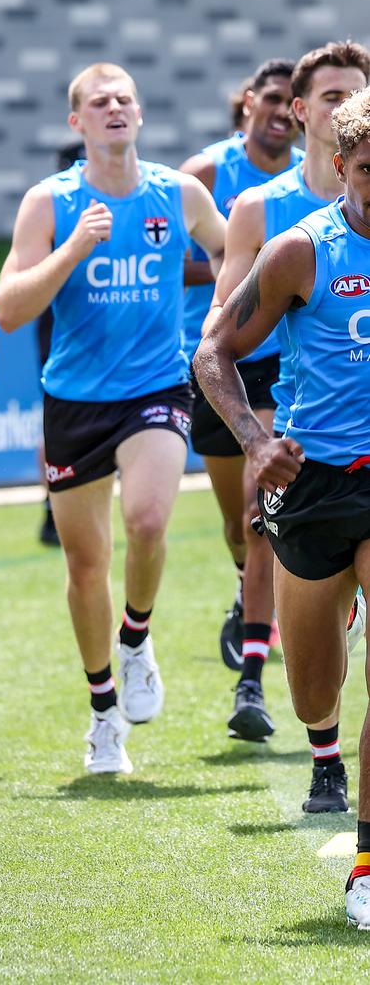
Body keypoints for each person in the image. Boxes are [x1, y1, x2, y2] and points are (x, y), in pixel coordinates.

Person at [0, 63, 225, 774]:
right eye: (100, 102)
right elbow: (8, 309)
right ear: (78, 124)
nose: (115, 108)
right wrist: (73, 248)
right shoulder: (50, 202)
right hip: (74, 398)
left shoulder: (177, 192)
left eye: (125, 98)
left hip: (156, 386)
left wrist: (220, 318)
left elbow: (228, 253)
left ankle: (137, 637)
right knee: (85, 563)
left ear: (141, 114)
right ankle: (102, 716)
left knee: (149, 520)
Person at [194, 83, 370, 930]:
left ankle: (366, 868)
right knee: (311, 693)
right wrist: (255, 441)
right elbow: (214, 353)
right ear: (342, 166)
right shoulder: (304, 251)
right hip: (313, 485)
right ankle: (324, 736)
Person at [180, 59, 303, 736]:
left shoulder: (328, 177)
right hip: (218, 357)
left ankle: (250, 686)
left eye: (296, 102)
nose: (283, 113)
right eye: (274, 100)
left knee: (261, 512)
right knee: (237, 522)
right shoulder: (209, 175)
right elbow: (171, 253)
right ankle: (244, 590)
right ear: (249, 103)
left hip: (284, 362)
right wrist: (255, 264)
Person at [37, 141, 85, 548]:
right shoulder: (54, 204)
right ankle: (51, 506)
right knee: (50, 410)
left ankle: (53, 508)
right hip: (59, 324)